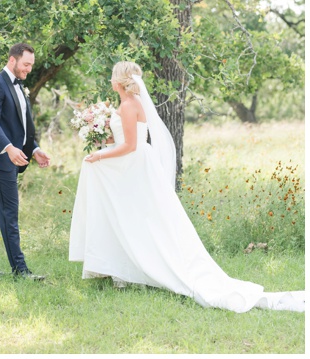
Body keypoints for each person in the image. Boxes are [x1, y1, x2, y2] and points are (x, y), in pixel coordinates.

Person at [69, 61, 304, 312]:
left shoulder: (128, 105)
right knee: (132, 218)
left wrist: (99, 156)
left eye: (112, 77)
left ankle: (135, 269)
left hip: (132, 165)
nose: (110, 81)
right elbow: (125, 138)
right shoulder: (130, 105)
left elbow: (130, 146)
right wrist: (100, 136)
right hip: (135, 165)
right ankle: (125, 269)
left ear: (118, 81)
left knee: (132, 215)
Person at [0, 43, 51, 279]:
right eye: (26, 65)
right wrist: (8, 148)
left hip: (11, 157)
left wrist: (34, 149)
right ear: (12, 60)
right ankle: (20, 270)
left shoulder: (20, 86)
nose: (29, 70)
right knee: (9, 213)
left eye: (31, 65)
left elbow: (20, 127)